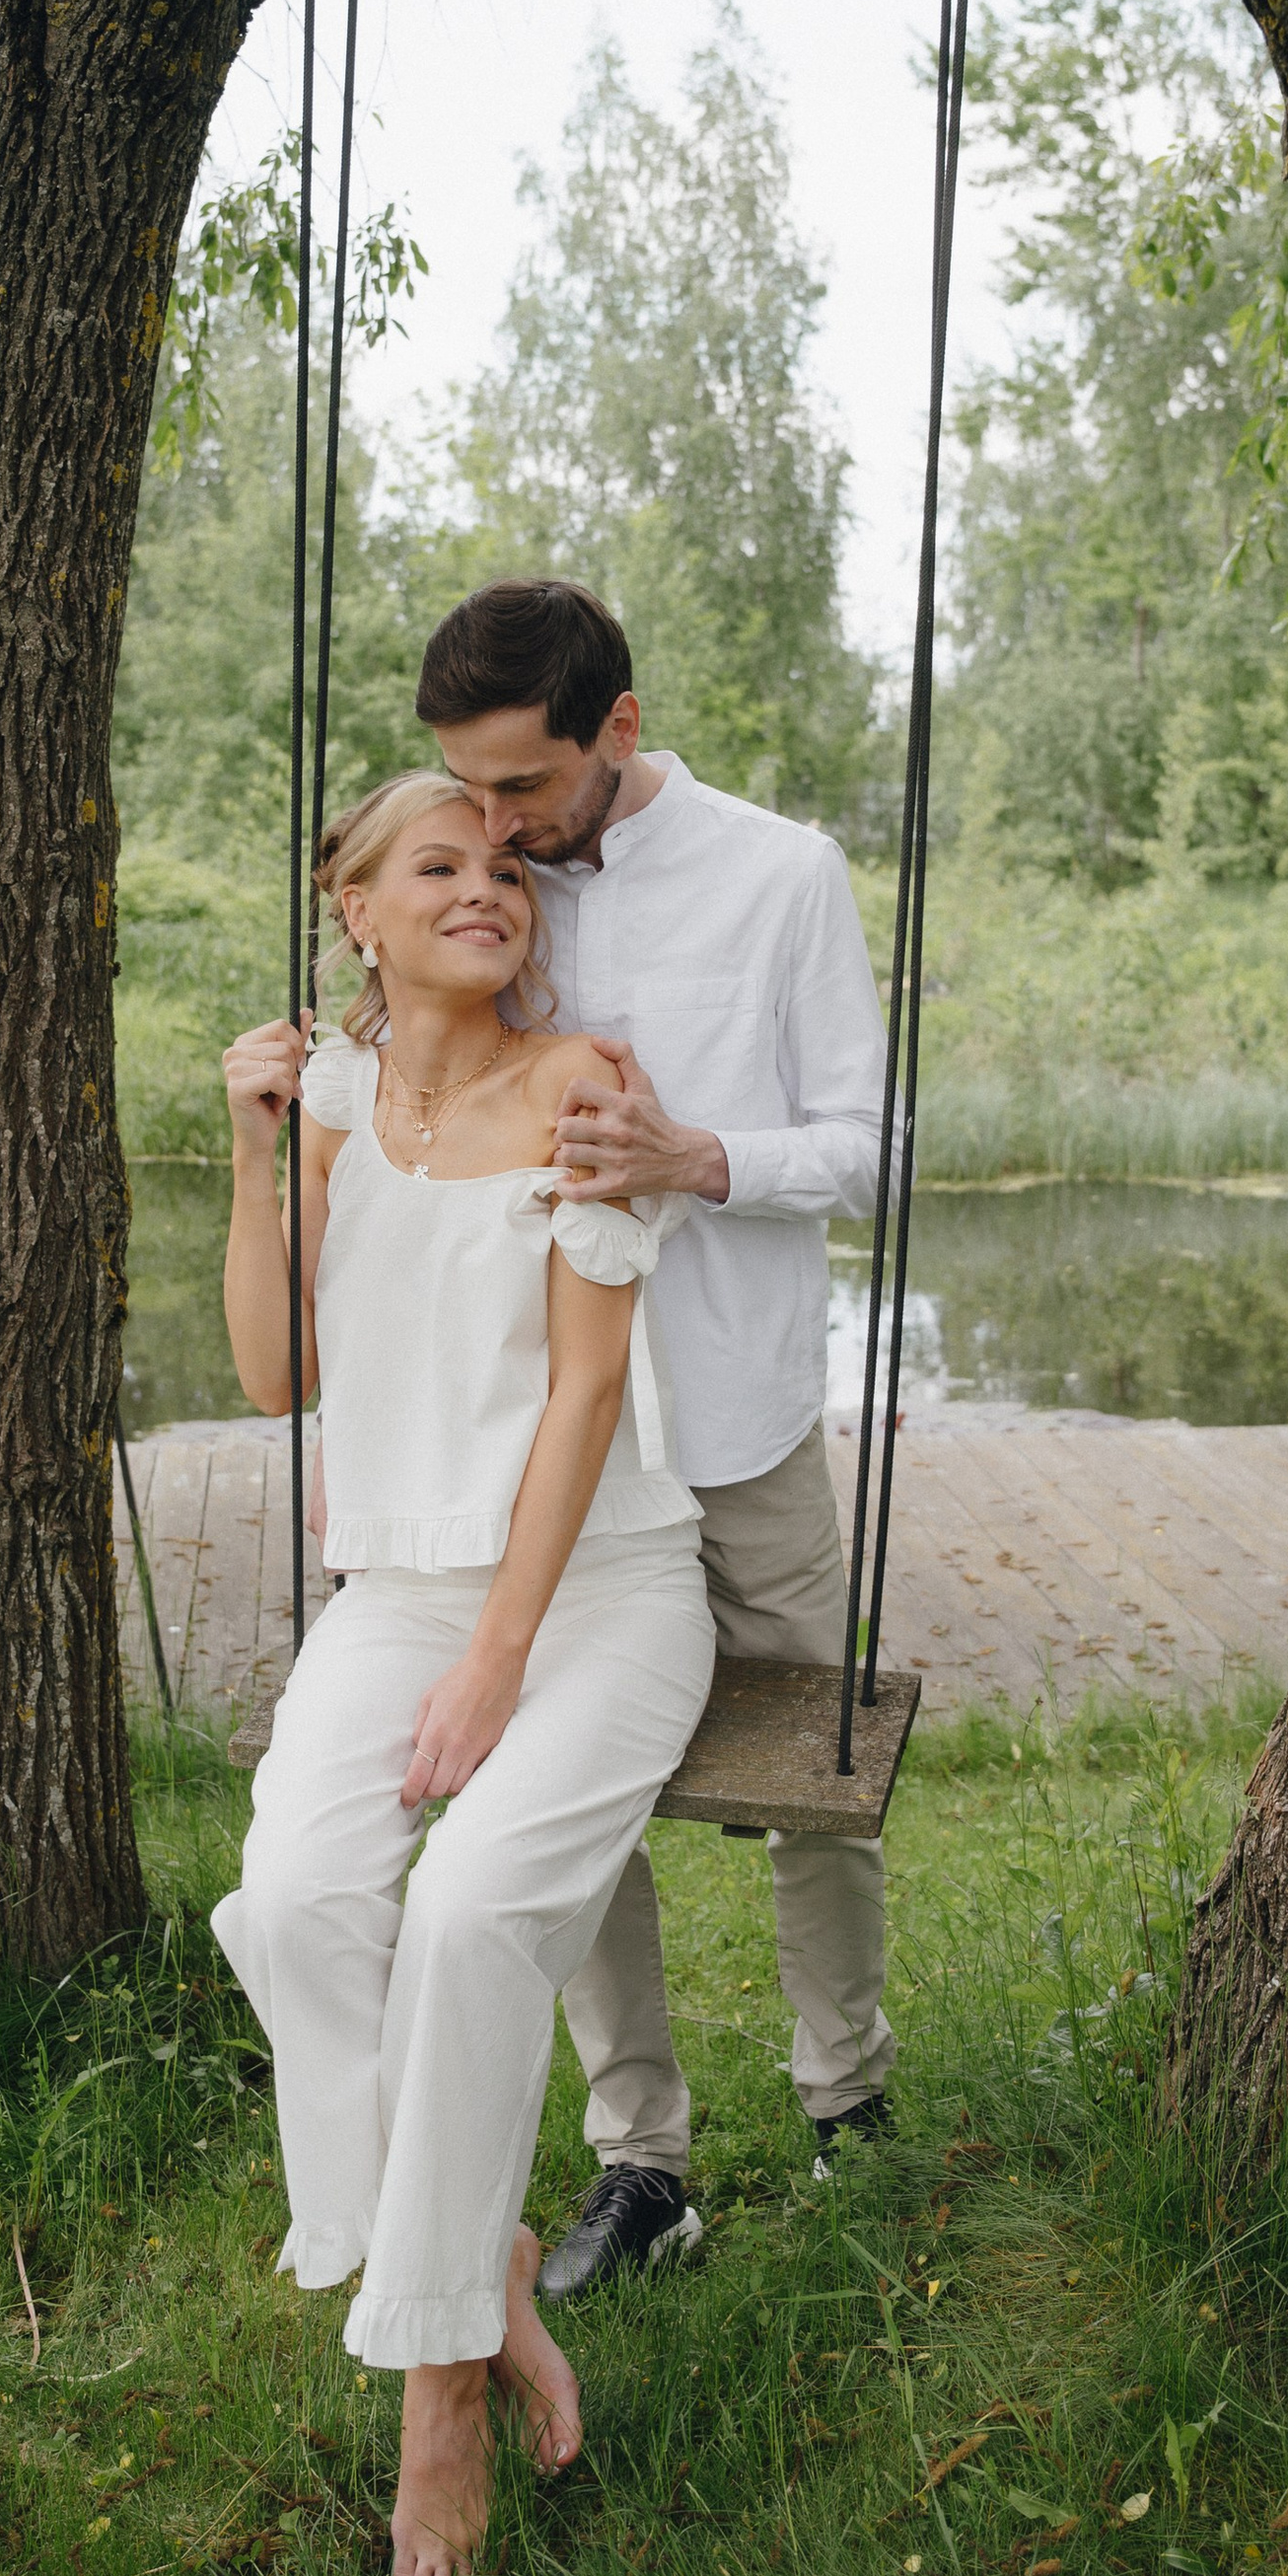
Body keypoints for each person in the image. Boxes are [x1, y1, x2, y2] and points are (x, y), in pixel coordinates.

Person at [209, 771, 715, 2576]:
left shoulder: (582, 1086)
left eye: (507, 862)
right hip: (398, 1587)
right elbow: (279, 1383)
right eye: (439, 864)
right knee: (296, 1900)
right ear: (359, 912)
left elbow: (586, 1396)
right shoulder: (335, 1105)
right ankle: (480, 2262)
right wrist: (256, 1154)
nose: (486, 884)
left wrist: (502, 1659)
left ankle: (438, 2392)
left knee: (476, 1910)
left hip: (600, 1593)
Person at [417, 578, 899, 2303]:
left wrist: (699, 1158)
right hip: (561, 1441)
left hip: (741, 1421)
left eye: (523, 788)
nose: (496, 830)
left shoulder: (784, 874)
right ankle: (644, 2161)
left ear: (616, 732)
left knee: (816, 1793)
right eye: (468, 790)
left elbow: (871, 1150)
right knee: (572, 1801)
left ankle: (848, 2102)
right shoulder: (485, 884)